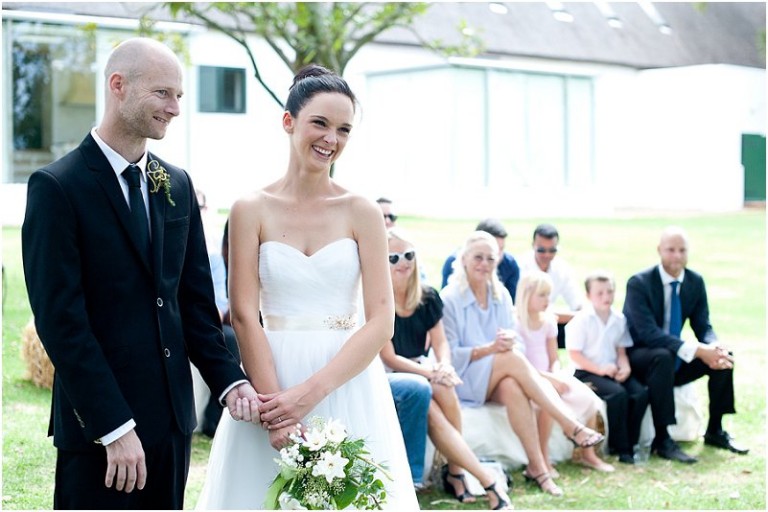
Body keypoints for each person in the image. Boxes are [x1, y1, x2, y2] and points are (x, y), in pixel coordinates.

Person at [20, 38, 258, 510]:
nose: (174, 108)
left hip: (171, 425)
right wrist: (112, 426)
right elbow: (61, 322)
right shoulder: (56, 187)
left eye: (179, 96)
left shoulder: (178, 184)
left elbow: (193, 305)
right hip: (99, 431)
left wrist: (231, 382)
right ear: (118, 86)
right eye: (162, 93)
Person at [195, 65, 418, 509]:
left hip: (346, 378)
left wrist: (312, 393)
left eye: (344, 129)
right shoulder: (250, 208)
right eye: (320, 123)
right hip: (271, 375)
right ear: (288, 121)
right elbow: (245, 314)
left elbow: (381, 321)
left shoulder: (362, 211)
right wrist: (277, 411)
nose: (331, 139)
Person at [441, 230, 605, 497]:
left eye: (490, 258)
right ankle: (570, 424)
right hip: (464, 377)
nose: (484, 264)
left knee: (513, 387)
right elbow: (450, 355)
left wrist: (507, 345)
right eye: (478, 257)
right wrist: (491, 349)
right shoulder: (450, 298)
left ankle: (538, 468)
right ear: (464, 259)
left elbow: (516, 344)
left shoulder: (501, 296)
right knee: (510, 359)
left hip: (497, 376)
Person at [381, 229, 512, 509]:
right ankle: (485, 480)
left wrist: (443, 365)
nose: (403, 262)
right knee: (429, 405)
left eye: (409, 255)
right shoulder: (379, 299)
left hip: (420, 365)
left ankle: (455, 471)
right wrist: (431, 372)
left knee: (445, 386)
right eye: (393, 257)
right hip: (391, 372)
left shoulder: (427, 296)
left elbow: (440, 343)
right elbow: (389, 357)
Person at [623, 226, 748, 463]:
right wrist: (697, 350)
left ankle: (715, 430)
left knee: (723, 356)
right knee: (663, 355)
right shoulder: (639, 283)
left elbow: (703, 325)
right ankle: (662, 440)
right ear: (659, 250)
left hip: (673, 356)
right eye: (671, 250)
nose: (677, 256)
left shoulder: (694, 281)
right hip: (640, 358)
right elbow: (648, 334)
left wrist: (714, 346)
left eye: (682, 250)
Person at [515, 271, 613, 473]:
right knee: (547, 402)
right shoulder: (516, 324)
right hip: (528, 378)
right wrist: (549, 379)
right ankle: (543, 459)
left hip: (550, 375)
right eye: (542, 295)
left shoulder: (548, 321)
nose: (547, 300)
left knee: (588, 397)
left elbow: (554, 359)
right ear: (527, 295)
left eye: (548, 295)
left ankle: (588, 454)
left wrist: (556, 374)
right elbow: (520, 364)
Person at [566, 271, 649, 465]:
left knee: (640, 393)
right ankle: (620, 448)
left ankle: (633, 442)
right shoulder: (581, 320)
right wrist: (600, 370)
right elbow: (575, 355)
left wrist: (625, 367)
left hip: (611, 369)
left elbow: (621, 351)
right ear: (588, 296)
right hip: (587, 371)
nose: (606, 297)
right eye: (600, 293)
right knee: (618, 394)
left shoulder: (619, 319)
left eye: (610, 292)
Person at [201, 218, 242, 438]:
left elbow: (218, 307)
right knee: (231, 337)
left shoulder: (215, 260)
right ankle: (213, 418)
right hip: (197, 325)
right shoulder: (213, 256)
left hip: (208, 322)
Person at [518, 223, 583, 348]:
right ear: (533, 245)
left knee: (582, 326)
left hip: (551, 321)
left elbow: (577, 303)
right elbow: (522, 309)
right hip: (525, 323)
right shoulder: (521, 266)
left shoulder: (561, 268)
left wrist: (582, 316)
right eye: (541, 250)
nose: (547, 255)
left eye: (552, 250)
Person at [441, 218, 520, 302]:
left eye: (501, 249)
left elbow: (513, 301)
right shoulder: (453, 262)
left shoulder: (510, 265)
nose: (498, 255)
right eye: (478, 257)